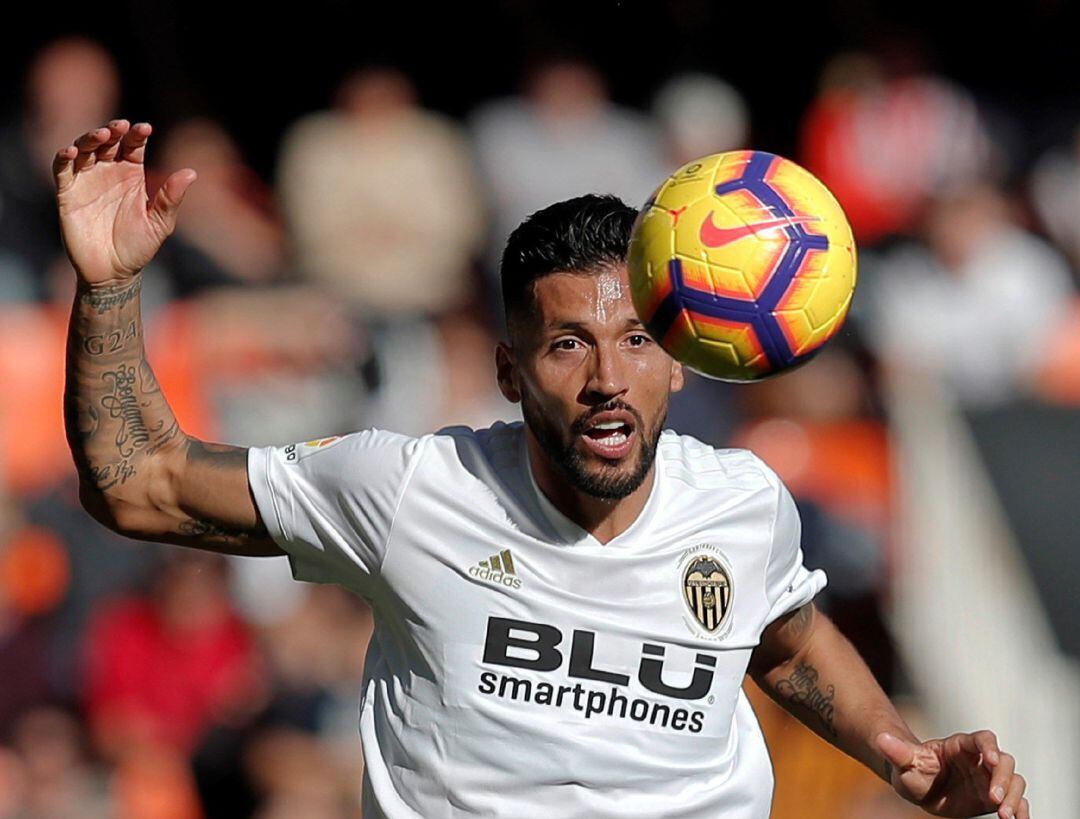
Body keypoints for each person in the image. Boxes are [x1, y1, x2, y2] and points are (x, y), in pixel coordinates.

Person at [54, 119, 1029, 819]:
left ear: (681, 359)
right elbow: (138, 482)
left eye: (638, 341)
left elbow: (783, 637)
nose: (609, 378)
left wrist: (900, 755)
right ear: (509, 374)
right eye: (567, 347)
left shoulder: (742, 503)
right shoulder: (409, 491)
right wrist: (109, 285)